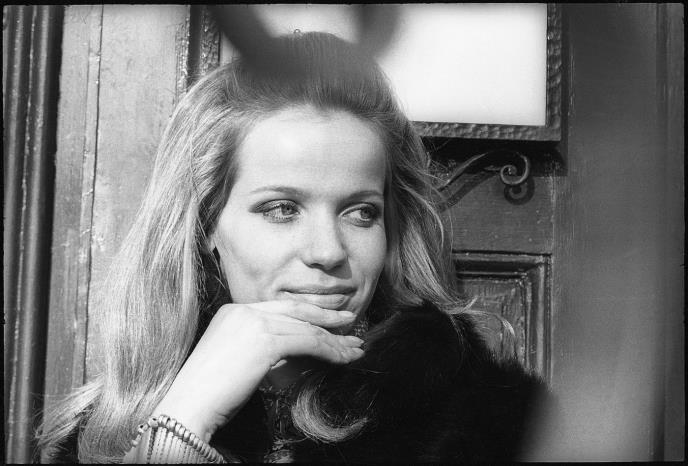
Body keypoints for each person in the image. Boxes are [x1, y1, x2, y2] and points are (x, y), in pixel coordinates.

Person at [38, 31, 550, 463]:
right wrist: (185, 420)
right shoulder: (98, 438)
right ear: (206, 226)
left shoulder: (498, 427)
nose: (328, 251)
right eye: (282, 209)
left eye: (360, 212)